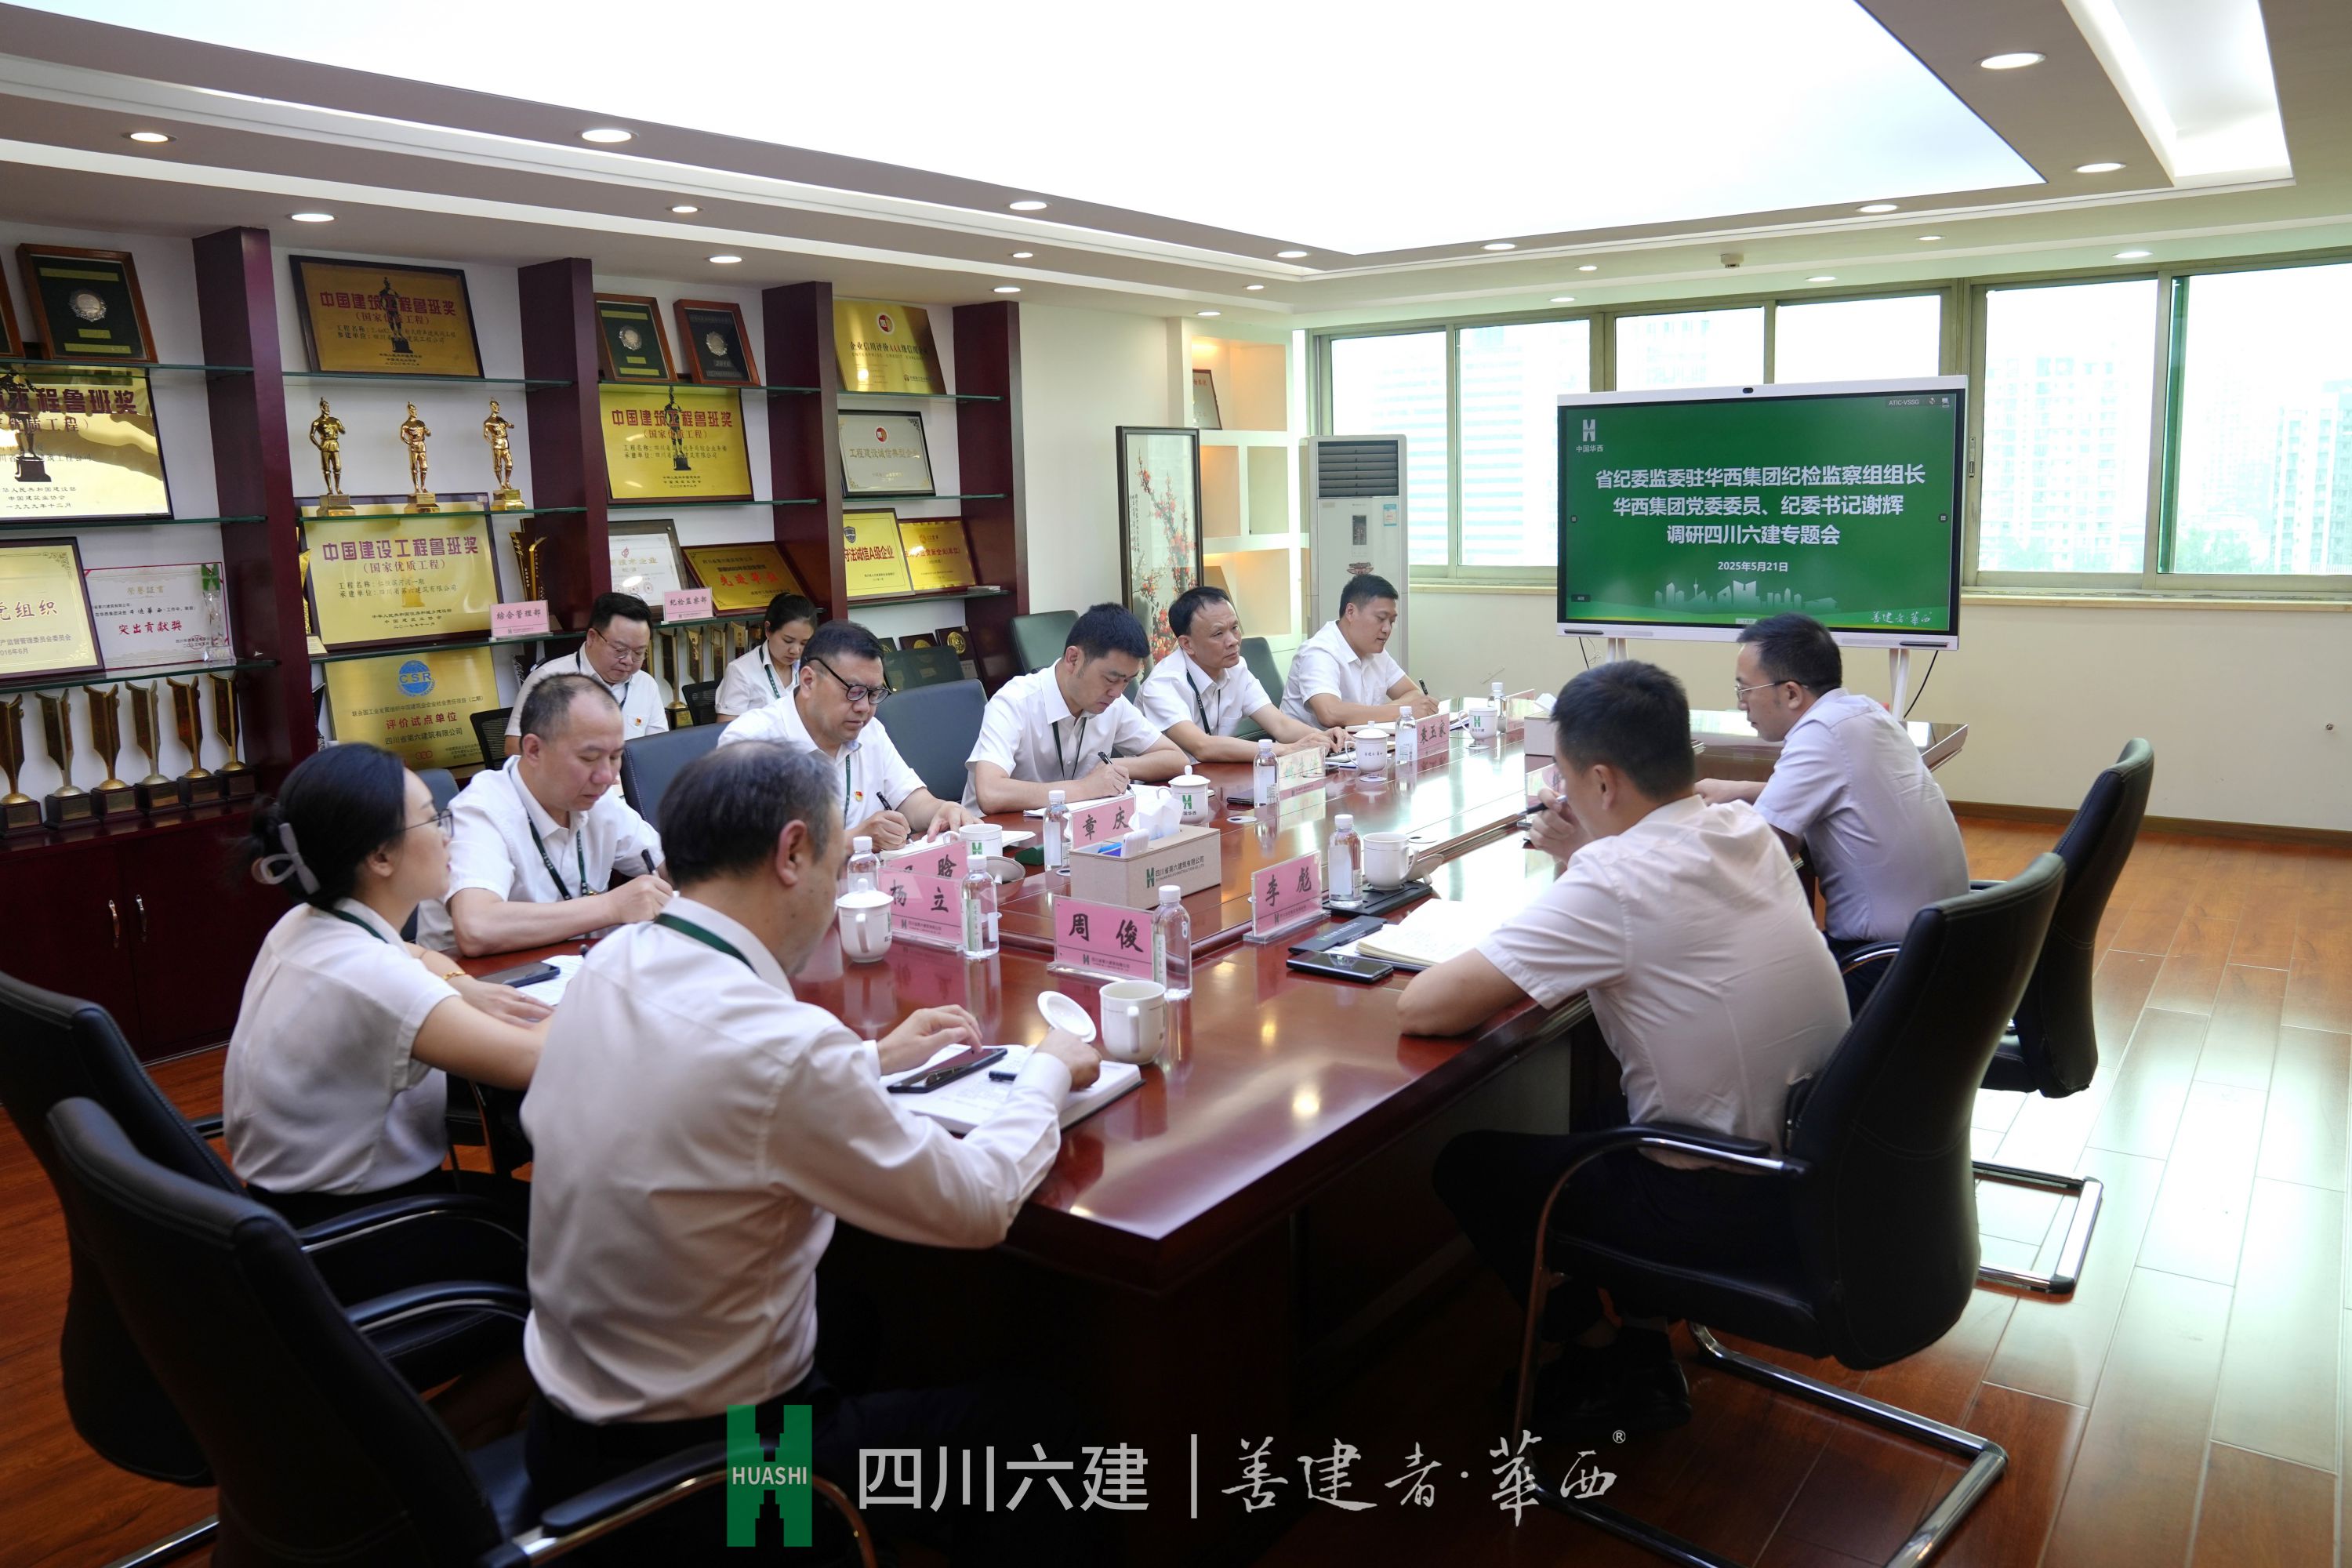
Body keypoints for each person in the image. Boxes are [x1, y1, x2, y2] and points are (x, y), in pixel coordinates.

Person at [520, 742, 1105, 1563]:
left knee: (854, 1308)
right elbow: (975, 1204)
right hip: (726, 1475)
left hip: (564, 1437)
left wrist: (872, 1059)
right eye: (837, 867)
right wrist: (1048, 1069)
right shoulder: (782, 1046)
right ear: (792, 853)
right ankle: (801, 1531)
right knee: (1037, 1434)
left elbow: (710, 1084)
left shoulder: (613, 961)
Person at [1401, 662, 1849, 1444]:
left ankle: (1601, 1352)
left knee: (1469, 1165)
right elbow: (1651, 911)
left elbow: (1427, 1006)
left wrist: (1587, 865)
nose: (1563, 793)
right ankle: (1643, 1330)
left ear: (1602, 781)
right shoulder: (1743, 829)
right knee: (1602, 1108)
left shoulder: (1617, 878)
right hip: (1815, 1164)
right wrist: (1587, 857)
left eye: (1566, 778)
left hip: (1717, 1201)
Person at [226, 743, 546, 1226]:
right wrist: (605, 977)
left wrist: (461, 985)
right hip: (369, 1229)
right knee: (579, 1225)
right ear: (380, 855)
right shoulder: (371, 978)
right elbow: (530, 1060)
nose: (448, 837)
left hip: (298, 1214)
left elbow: (412, 953)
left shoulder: (310, 922)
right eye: (433, 819)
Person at [1694, 613, 1969, 975]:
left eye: (1744, 690)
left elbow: (1758, 852)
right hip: (1944, 946)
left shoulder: (1820, 735)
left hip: (1885, 966)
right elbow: (1851, 793)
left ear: (1791, 693)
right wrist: (1744, 789)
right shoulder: (1864, 712)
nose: (1741, 703)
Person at [424, 674, 670, 956]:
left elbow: (666, 866)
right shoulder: (480, 811)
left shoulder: (598, 800)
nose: (606, 776)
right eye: (588, 758)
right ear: (533, 750)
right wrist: (612, 906)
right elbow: (476, 928)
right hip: (479, 977)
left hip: (577, 968)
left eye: (615, 757)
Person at [717, 619, 974, 849]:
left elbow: (909, 799)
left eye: (873, 694)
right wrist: (854, 840)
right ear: (808, 681)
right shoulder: (751, 741)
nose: (864, 707)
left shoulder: (869, 731)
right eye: (854, 691)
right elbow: (748, 849)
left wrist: (942, 809)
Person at [964, 602, 1186, 811]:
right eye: (1111, 679)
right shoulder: (1015, 701)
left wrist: (1111, 768)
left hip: (1074, 828)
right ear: (1073, 659)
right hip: (1002, 834)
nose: (1118, 692)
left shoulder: (1113, 703)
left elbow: (1176, 759)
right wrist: (1086, 787)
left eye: (1127, 681)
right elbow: (991, 792)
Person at [1136, 585, 1352, 763]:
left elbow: (1280, 725)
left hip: (1220, 778)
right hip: (1166, 789)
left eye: (1235, 628)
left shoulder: (1237, 668)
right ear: (1187, 644)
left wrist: (1324, 737)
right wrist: (1287, 750)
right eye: (1218, 633)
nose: (1233, 641)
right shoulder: (1163, 684)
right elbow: (1202, 747)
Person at [505, 592, 670, 754]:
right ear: (592, 637)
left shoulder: (645, 684)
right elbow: (514, 747)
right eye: (620, 650)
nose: (628, 660)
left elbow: (659, 748)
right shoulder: (547, 679)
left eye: (639, 652)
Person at [1281, 573, 1440, 728]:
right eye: (1381, 618)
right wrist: (1402, 711)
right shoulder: (1319, 652)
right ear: (1351, 612)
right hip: (1310, 745)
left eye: (1392, 621)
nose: (1387, 629)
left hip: (1358, 743)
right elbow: (1329, 713)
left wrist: (1378, 713)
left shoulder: (1376, 652)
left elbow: (1414, 694)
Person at [715, 592, 819, 721]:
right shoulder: (740, 671)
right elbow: (727, 729)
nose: (795, 651)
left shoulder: (811, 667)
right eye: (788, 640)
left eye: (804, 643)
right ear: (768, 629)